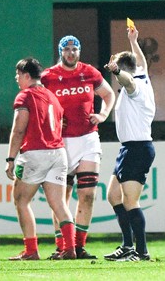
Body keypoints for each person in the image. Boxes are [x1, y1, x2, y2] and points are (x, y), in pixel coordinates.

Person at [41, 35, 115, 259]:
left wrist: (103, 114)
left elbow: (109, 94)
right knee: (60, 199)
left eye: (75, 49)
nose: (71, 53)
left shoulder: (89, 72)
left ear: (79, 51)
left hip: (87, 139)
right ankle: (62, 246)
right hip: (60, 142)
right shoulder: (48, 76)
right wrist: (52, 119)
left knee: (88, 195)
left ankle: (79, 246)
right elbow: (37, 104)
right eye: (67, 49)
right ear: (60, 52)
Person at [5, 57, 76, 261]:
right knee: (60, 205)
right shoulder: (51, 96)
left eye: (18, 74)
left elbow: (19, 129)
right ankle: (69, 248)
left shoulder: (25, 96)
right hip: (58, 153)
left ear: (27, 75)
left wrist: (10, 158)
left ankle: (31, 250)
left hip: (36, 153)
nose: (16, 78)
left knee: (21, 200)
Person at [103, 25, 156, 262]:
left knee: (130, 200)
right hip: (129, 148)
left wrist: (116, 71)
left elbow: (128, 81)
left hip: (138, 148)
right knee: (113, 195)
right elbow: (140, 62)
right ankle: (127, 245)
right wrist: (134, 41)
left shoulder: (136, 85)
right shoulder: (142, 72)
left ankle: (142, 251)